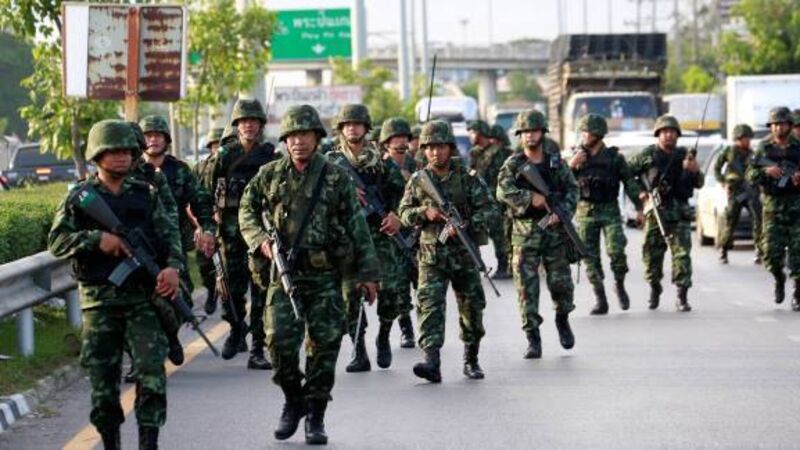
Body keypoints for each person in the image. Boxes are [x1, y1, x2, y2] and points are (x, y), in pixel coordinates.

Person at [238, 104, 379, 445]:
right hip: (283, 274)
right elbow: (246, 209)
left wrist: (367, 273)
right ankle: (293, 398)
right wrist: (260, 241)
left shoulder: (335, 176)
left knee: (324, 347)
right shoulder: (270, 174)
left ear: (317, 138)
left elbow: (356, 225)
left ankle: (315, 414)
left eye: (305, 134)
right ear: (285, 140)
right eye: (292, 136)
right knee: (278, 342)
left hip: (326, 276)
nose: (298, 141)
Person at [48, 120, 184, 450]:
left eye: (127, 151)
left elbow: (170, 235)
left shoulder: (146, 194)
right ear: (97, 155)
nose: (122, 156)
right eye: (113, 151)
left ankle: (148, 442)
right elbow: (57, 242)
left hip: (142, 298)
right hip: (99, 302)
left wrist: (173, 268)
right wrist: (97, 240)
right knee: (103, 384)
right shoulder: (81, 197)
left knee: (152, 374)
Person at [398, 120, 493, 382]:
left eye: (441, 147)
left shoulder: (468, 178)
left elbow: (490, 210)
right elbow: (403, 213)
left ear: (450, 148)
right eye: (430, 147)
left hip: (464, 255)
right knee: (429, 307)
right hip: (431, 256)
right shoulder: (418, 181)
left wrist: (466, 224)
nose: (436, 152)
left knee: (472, 308)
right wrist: (424, 212)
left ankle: (471, 359)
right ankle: (431, 362)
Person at [327, 105, 406, 371]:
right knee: (350, 296)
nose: (352, 128)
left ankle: (383, 336)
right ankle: (359, 349)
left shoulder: (382, 163)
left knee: (391, 291)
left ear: (366, 128)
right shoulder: (330, 163)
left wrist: (397, 216)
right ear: (341, 129)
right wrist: (345, 190)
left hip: (380, 234)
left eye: (357, 124)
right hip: (347, 238)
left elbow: (405, 195)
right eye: (347, 124)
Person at [201, 98, 279, 368]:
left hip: (260, 232)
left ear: (260, 125)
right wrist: (208, 228)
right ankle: (236, 328)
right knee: (230, 290)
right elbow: (205, 194)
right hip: (230, 233)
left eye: (253, 121)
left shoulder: (270, 156)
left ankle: (258, 348)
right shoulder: (224, 156)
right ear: (236, 125)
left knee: (261, 291)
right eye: (244, 121)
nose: (249, 126)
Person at [497, 109, 578, 359]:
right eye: (525, 132)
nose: (529, 136)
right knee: (526, 290)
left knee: (562, 285)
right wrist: (529, 198)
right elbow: (502, 192)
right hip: (524, 236)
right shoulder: (513, 164)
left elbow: (572, 189)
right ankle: (533, 337)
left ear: (542, 133)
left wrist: (562, 212)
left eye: (533, 131)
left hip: (554, 233)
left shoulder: (556, 162)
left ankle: (562, 318)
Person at [628, 115, 703, 312]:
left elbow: (699, 183)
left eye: (672, 132)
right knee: (651, 255)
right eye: (664, 132)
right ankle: (654, 287)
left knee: (682, 256)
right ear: (658, 134)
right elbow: (627, 174)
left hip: (679, 212)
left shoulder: (685, 155)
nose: (668, 135)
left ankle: (682, 296)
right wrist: (640, 194)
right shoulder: (647, 155)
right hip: (656, 212)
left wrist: (694, 170)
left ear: (677, 135)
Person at [568, 114, 642, 314]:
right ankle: (600, 298)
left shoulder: (614, 158)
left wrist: (640, 206)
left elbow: (629, 182)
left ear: (598, 134)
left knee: (616, 251)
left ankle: (619, 284)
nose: (584, 135)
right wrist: (571, 166)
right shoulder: (576, 157)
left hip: (609, 210)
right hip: (585, 212)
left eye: (587, 132)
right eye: (582, 132)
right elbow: (560, 182)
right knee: (589, 257)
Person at [746, 107, 800, 310]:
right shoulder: (763, 148)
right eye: (774, 124)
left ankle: (798, 292)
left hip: (796, 206)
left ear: (789, 125)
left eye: (782, 124)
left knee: (798, 253)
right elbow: (750, 174)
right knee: (770, 253)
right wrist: (766, 171)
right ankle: (779, 278)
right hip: (772, 207)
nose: (778, 128)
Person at [379, 117, 419, 349]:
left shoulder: (417, 166)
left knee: (421, 283)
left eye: (404, 137)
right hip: (392, 236)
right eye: (396, 138)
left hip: (416, 232)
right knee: (399, 286)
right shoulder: (380, 168)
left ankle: (426, 328)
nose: (401, 142)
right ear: (386, 142)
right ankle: (406, 328)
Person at [467, 120, 512, 279]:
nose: (470, 135)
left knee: (498, 234)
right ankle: (475, 266)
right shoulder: (474, 153)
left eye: (472, 132)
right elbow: (471, 175)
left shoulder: (499, 152)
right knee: (472, 232)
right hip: (478, 200)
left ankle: (503, 266)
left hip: (496, 201)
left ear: (480, 133)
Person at [713, 123, 763, 264]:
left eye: (749, 138)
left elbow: (760, 170)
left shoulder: (752, 154)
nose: (748, 141)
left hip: (750, 190)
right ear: (738, 138)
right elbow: (717, 168)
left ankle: (759, 250)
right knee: (731, 221)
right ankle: (724, 249)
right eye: (745, 138)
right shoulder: (729, 152)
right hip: (736, 191)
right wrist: (724, 182)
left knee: (758, 220)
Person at [192, 127, 225, 315]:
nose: (218, 149)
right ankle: (211, 290)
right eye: (214, 145)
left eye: (221, 145)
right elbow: (191, 199)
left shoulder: (230, 166)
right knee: (204, 263)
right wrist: (199, 225)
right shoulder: (200, 168)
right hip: (205, 221)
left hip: (227, 222)